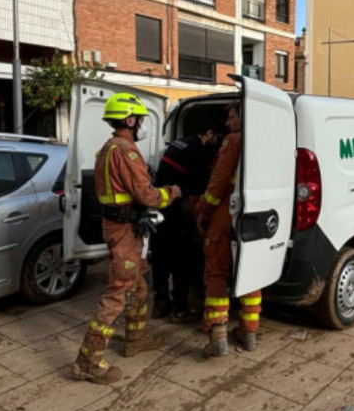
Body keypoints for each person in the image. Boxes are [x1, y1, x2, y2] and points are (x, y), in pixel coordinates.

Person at [71, 93, 181, 385]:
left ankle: (135, 338)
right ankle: (88, 361)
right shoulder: (127, 152)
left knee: (140, 285)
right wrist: (171, 193)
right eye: (141, 120)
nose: (143, 125)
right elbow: (147, 195)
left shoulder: (107, 149)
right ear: (130, 121)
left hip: (118, 227)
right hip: (124, 233)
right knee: (116, 293)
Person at [196, 103, 260, 357]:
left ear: (243, 118)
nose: (227, 123)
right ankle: (249, 332)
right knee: (253, 273)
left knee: (216, 272)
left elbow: (219, 181)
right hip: (257, 215)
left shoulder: (234, 141)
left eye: (232, 117)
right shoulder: (269, 141)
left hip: (227, 214)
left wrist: (204, 207)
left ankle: (218, 335)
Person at [150, 127, 220, 322]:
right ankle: (179, 309)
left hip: (159, 207)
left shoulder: (179, 142)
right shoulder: (198, 151)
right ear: (208, 132)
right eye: (215, 136)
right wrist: (199, 224)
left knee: (160, 257)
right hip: (176, 209)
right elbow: (197, 194)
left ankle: (160, 302)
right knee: (182, 260)